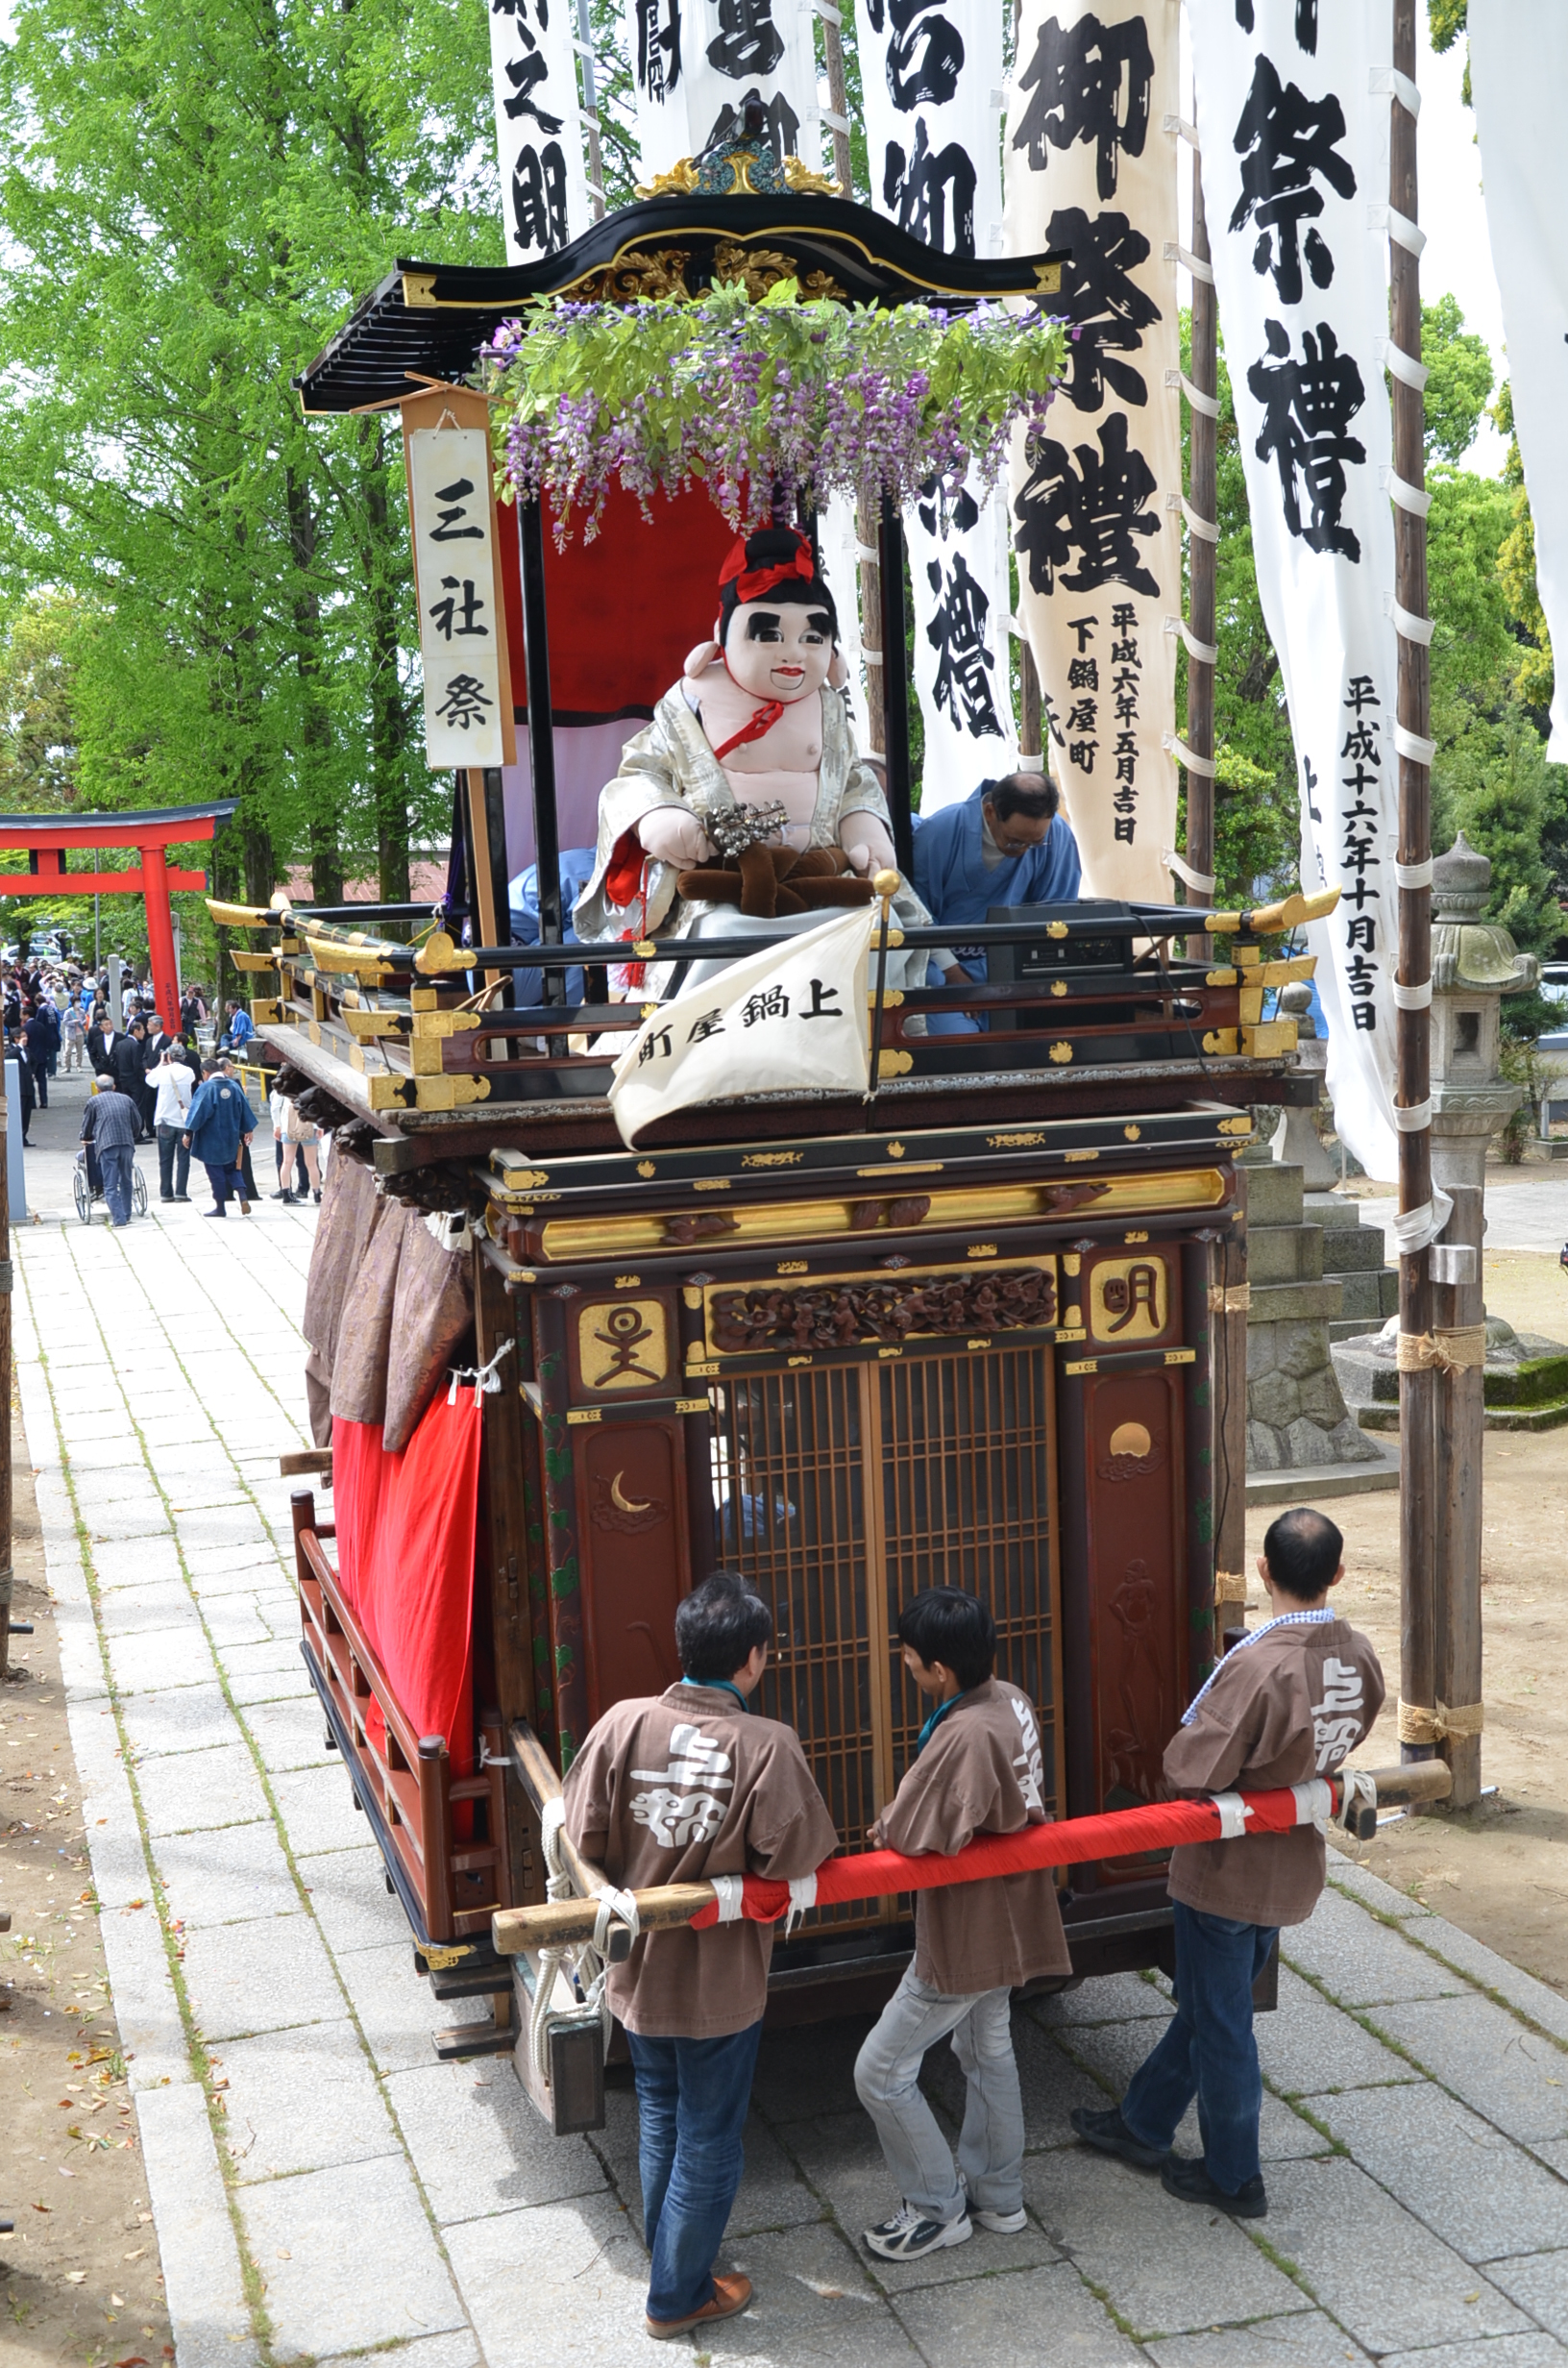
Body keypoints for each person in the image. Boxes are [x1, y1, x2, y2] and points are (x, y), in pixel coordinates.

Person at [1071, 1507, 1384, 2220]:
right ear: (1337, 1574)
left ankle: (1235, 2174)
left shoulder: (1261, 1663)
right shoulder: (1357, 1653)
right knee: (1217, 2007)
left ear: (1265, 1572)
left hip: (1227, 1865)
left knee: (1222, 2024)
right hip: (1291, 1856)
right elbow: (1351, 1731)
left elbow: (1192, 1766)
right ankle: (1144, 2124)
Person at [562, 1570, 838, 2341]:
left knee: (660, 2109)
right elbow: (798, 1856)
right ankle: (677, 2294)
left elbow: (579, 1838)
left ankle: (673, 2261)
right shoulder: (766, 1745)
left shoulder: (622, 1724)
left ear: (682, 1645)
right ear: (753, 1658)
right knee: (711, 2129)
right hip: (719, 1978)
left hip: (639, 1969)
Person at [574, 525, 929, 997]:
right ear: (723, 634)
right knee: (722, 940)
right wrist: (658, 814)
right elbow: (640, 772)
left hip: (821, 871)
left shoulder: (827, 709)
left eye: (812, 636)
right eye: (768, 633)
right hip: (722, 877)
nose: (792, 652)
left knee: (877, 932)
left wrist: (862, 823)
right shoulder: (691, 702)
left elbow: (853, 781)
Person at [854, 1589, 1068, 2262]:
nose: (910, 1673)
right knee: (988, 2047)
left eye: (912, 1664)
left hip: (971, 1923)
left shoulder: (967, 1732)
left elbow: (916, 1831)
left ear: (940, 1671)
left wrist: (884, 1827)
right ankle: (999, 2197)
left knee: (880, 2070)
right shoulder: (1009, 1699)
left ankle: (936, 2207)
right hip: (1015, 1904)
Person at [911, 775, 1082, 1034]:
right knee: (958, 1044)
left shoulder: (1056, 835)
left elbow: (1058, 912)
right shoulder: (939, 832)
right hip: (944, 969)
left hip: (1017, 968)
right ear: (990, 812)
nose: (1024, 850)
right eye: (1015, 841)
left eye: (1034, 843)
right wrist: (953, 972)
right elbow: (916, 911)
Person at [184, 1058, 257, 1217]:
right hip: (231, 1135)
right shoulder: (234, 1086)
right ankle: (243, 1195)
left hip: (211, 1138)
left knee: (215, 1171)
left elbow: (198, 1113)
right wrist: (248, 1129)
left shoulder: (206, 1088)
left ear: (205, 1072)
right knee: (232, 1168)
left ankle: (220, 1206)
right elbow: (244, 1108)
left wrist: (188, 1132)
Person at [81, 1073, 140, 1226]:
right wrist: (132, 1135)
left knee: (110, 1184)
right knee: (126, 1180)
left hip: (107, 1145)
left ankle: (119, 1219)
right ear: (114, 1087)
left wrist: (85, 1137)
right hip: (127, 1144)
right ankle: (126, 1214)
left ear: (97, 1088)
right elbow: (137, 1123)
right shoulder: (127, 1099)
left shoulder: (93, 1101)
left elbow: (87, 1125)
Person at [152, 1044, 196, 1202]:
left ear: (168, 1056)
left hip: (165, 1120)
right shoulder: (189, 1072)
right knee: (183, 1158)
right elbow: (191, 1081)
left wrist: (161, 1063)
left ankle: (165, 1193)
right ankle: (181, 1192)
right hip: (184, 1121)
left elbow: (149, 1081)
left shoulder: (162, 1071)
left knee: (165, 1159)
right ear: (183, 1057)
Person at [22, 999, 52, 1111]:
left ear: (26, 1015)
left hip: (31, 1058)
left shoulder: (25, 1028)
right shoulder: (41, 1026)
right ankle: (44, 1101)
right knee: (42, 1081)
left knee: (30, 1081)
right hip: (42, 1056)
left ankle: (32, 1103)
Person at [61, 994, 86, 1073]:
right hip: (71, 1034)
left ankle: (78, 1066)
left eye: (79, 1002)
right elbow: (65, 1022)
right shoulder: (68, 1012)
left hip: (80, 1033)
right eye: (77, 1002)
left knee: (79, 1052)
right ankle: (67, 1066)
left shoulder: (82, 1011)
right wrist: (73, 1022)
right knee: (67, 1051)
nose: (78, 1003)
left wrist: (83, 1022)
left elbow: (84, 1020)